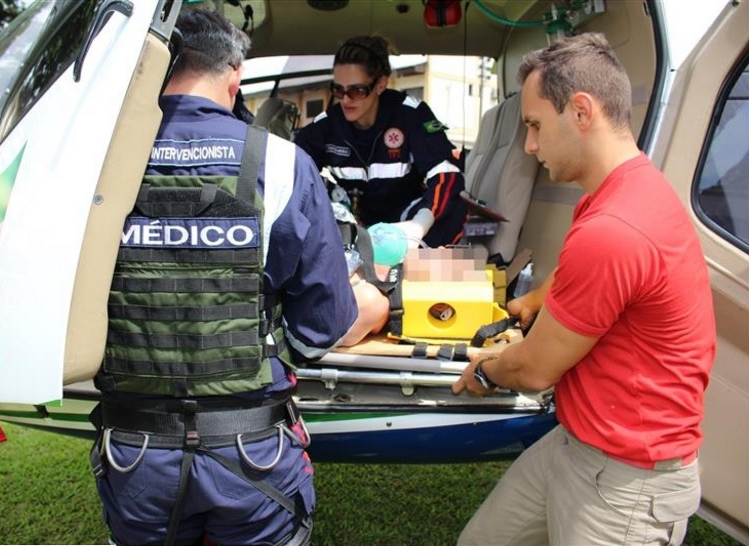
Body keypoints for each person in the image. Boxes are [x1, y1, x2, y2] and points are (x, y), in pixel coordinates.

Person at [89, 8, 360, 546]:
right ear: (234, 74)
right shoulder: (282, 163)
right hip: (251, 453)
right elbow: (323, 323)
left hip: (136, 454)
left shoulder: (96, 162)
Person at [452, 32, 716, 546]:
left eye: (534, 126)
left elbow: (533, 369)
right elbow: (586, 274)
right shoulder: (620, 190)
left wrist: (486, 367)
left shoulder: (616, 227)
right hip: (579, 443)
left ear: (580, 111)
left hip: (628, 482)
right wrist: (533, 300)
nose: (529, 145)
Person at [294, 36, 467, 248]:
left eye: (356, 90)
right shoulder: (327, 125)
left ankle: (417, 268)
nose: (346, 100)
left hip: (406, 219)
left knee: (455, 207)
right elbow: (293, 168)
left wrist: (419, 225)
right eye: (338, 90)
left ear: (380, 84)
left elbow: (446, 173)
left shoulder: (411, 115)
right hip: (352, 221)